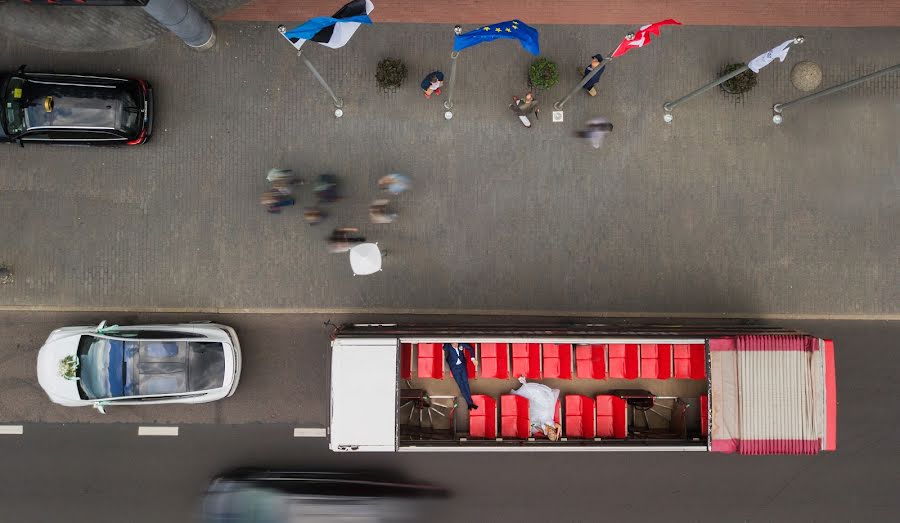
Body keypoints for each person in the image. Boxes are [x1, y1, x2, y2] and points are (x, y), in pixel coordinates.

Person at [443, 342, 478, 410]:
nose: (456, 345)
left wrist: (473, 359)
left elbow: (470, 348)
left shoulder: (461, 344)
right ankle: (470, 403)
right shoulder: (448, 346)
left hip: (462, 366)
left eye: (457, 343)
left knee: (466, 383)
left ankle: (470, 403)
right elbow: (444, 348)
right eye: (454, 344)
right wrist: (447, 342)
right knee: (461, 385)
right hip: (454, 368)